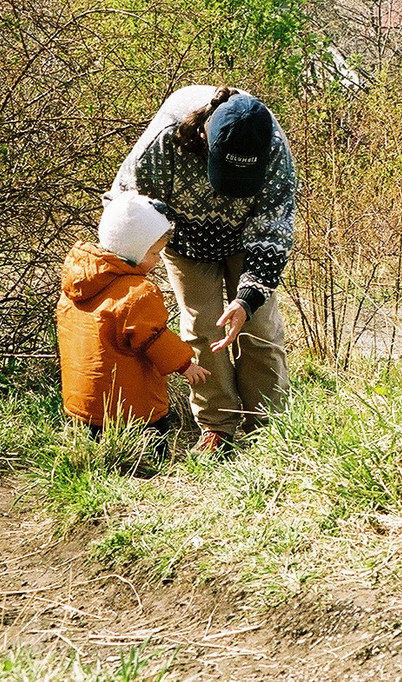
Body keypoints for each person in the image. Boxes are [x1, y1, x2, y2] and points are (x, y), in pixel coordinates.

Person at [104, 85, 295, 455]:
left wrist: (246, 299)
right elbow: (126, 206)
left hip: (247, 240)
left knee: (258, 327)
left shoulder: (271, 146)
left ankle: (270, 429)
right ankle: (217, 426)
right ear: (205, 135)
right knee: (202, 327)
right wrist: (132, 262)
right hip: (185, 242)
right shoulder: (165, 139)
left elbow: (273, 233)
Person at [57, 193, 211, 445]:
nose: (156, 259)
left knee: (96, 450)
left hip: (83, 404)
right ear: (133, 250)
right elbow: (154, 338)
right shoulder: (137, 292)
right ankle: (151, 468)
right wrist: (186, 365)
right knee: (151, 447)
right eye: (153, 252)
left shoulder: (76, 286)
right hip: (131, 407)